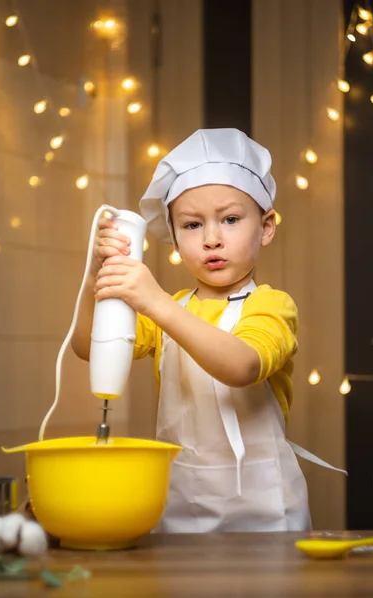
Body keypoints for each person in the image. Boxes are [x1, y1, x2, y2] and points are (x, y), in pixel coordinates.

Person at [71, 128, 328, 533]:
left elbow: (242, 366)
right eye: (192, 225)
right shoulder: (169, 309)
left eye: (229, 219)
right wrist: (94, 278)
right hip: (181, 507)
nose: (211, 239)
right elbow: (87, 347)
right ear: (172, 238)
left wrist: (154, 302)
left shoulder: (271, 305)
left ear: (266, 227)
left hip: (264, 515)